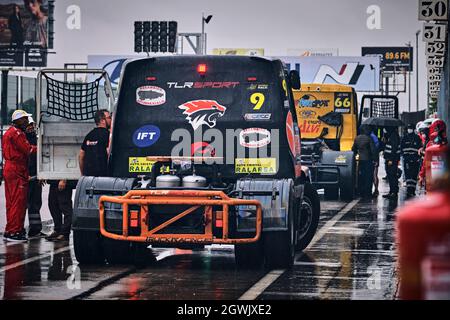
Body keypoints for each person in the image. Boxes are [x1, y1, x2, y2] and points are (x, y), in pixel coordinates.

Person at [1, 110, 37, 242]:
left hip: (10, 168)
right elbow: (28, 149)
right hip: (17, 169)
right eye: (25, 119)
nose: (27, 122)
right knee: (18, 202)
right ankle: (15, 231)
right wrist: (40, 148)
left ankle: (10, 229)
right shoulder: (17, 133)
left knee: (11, 202)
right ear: (19, 120)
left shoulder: (8, 132)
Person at [25, 116, 44, 237]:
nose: (31, 127)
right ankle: (20, 229)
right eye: (29, 125)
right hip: (27, 176)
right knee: (25, 204)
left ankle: (35, 229)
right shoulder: (23, 140)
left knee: (36, 203)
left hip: (35, 177)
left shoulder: (36, 140)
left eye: (32, 125)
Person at [78, 109, 112, 177]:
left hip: (88, 177)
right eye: (109, 118)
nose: (111, 120)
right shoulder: (108, 135)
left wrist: (82, 174)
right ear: (102, 120)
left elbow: (81, 156)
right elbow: (109, 153)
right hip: (103, 177)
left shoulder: (89, 135)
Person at [419, 119, 448, 188]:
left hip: (431, 175)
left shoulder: (429, 145)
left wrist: (421, 175)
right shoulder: (446, 145)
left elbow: (425, 161)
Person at [352, 125, 378, 199]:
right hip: (368, 160)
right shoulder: (369, 138)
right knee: (368, 177)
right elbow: (373, 150)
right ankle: (368, 193)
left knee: (361, 176)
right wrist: (375, 159)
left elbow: (353, 149)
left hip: (361, 160)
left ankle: (361, 192)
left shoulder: (357, 138)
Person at [401, 123, 423, 197]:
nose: (409, 130)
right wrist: (404, 156)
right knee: (408, 175)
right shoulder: (404, 138)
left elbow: (420, 148)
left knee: (414, 175)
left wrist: (418, 158)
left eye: (410, 128)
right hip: (407, 159)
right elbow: (402, 148)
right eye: (408, 128)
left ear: (413, 129)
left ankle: (412, 190)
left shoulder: (417, 138)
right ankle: (409, 189)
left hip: (415, 159)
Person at [382, 127, 401, 199]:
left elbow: (394, 149)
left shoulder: (394, 136)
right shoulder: (391, 136)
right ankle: (391, 191)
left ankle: (394, 192)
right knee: (390, 175)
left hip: (392, 160)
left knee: (392, 175)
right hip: (389, 159)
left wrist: (391, 159)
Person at [369, 126, 381, 197]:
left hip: (373, 157)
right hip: (375, 157)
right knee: (374, 174)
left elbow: (376, 147)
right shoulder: (374, 136)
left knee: (374, 174)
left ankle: (376, 190)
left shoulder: (371, 136)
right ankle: (376, 190)